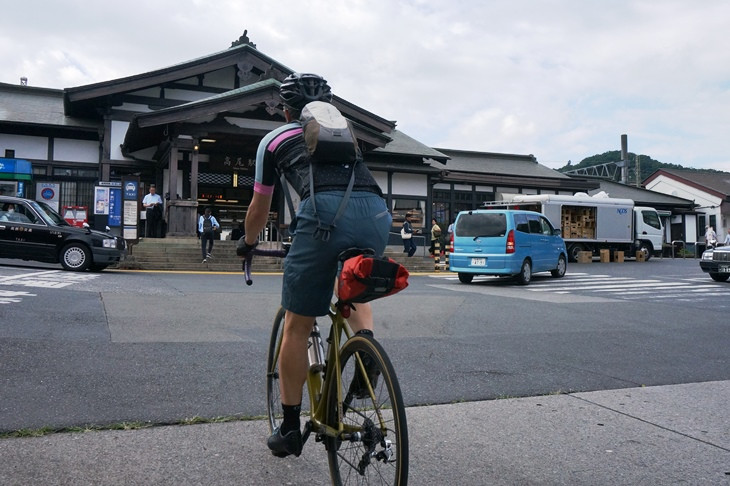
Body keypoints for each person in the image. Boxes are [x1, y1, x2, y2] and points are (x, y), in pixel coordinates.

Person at [236, 73, 391, 458]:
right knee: (353, 277)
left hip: (322, 218)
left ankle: (289, 428)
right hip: (376, 213)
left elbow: (260, 207)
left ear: (285, 110)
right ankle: (365, 348)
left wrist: (249, 242)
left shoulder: (273, 140)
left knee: (297, 323)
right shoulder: (344, 134)